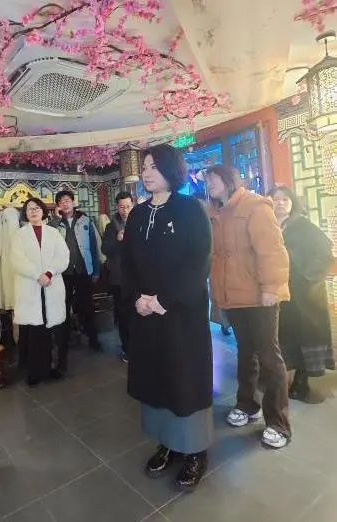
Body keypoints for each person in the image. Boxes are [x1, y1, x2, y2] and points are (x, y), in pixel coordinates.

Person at [123, 144, 213, 490]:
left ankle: (195, 450)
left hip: (181, 314)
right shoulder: (137, 213)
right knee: (156, 379)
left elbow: (198, 262)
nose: (146, 173)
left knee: (184, 379)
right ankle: (167, 442)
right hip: (145, 313)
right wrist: (137, 298)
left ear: (171, 170)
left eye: (154, 167)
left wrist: (164, 300)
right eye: (144, 167)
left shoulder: (190, 208)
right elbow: (127, 263)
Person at [206, 165, 292, 449]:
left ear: (228, 180)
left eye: (212, 178)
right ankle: (247, 404)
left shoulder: (255, 205)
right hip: (235, 297)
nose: (209, 184)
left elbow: (272, 251)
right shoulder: (216, 212)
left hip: (260, 296)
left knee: (270, 357)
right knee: (245, 352)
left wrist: (270, 288)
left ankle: (278, 423)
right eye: (207, 180)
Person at [269, 186, 334, 402]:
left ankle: (301, 380)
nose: (280, 203)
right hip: (278, 291)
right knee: (283, 335)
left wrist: (307, 276)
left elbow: (324, 250)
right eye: (276, 199)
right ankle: (283, 377)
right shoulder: (267, 225)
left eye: (285, 199)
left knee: (304, 336)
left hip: (304, 294)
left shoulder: (303, 225)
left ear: (292, 202)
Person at [11, 197, 70, 386]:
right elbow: (17, 260)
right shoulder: (19, 235)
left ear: (43, 211)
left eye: (37, 208)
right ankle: (34, 372)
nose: (34, 211)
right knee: (33, 331)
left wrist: (49, 272)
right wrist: (37, 275)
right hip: (30, 287)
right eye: (29, 209)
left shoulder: (54, 233)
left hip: (51, 286)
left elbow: (63, 256)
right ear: (25, 213)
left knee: (51, 329)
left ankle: (53, 367)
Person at [51, 190, 102, 351]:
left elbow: (94, 247)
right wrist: (56, 219)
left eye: (67, 200)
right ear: (58, 206)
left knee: (87, 306)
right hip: (62, 273)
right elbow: (48, 243)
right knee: (63, 307)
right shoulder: (54, 224)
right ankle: (64, 342)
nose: (65, 204)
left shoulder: (86, 220)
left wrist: (96, 271)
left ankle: (93, 339)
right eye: (61, 201)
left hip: (83, 270)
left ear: (73, 203)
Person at [101, 191, 135, 362]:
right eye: (122, 207)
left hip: (138, 279)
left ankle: (140, 348)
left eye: (128, 206)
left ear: (133, 205)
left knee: (139, 315)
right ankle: (127, 348)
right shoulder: (110, 226)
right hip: (119, 279)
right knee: (123, 315)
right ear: (117, 207)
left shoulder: (139, 222)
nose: (125, 210)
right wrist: (117, 239)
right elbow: (104, 249)